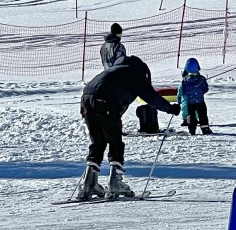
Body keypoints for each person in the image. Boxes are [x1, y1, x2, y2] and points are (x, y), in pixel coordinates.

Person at [76, 56, 180, 200]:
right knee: (115, 142)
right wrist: (170, 109)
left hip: (86, 100)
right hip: (106, 103)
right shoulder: (136, 74)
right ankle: (115, 183)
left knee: (98, 142)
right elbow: (151, 97)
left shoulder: (115, 70)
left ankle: (89, 183)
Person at [179, 58, 212, 135]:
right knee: (202, 114)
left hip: (190, 102)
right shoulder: (201, 79)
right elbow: (205, 89)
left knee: (190, 115)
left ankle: (191, 129)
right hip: (200, 101)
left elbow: (183, 91)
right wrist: (200, 92)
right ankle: (205, 129)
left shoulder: (185, 80)